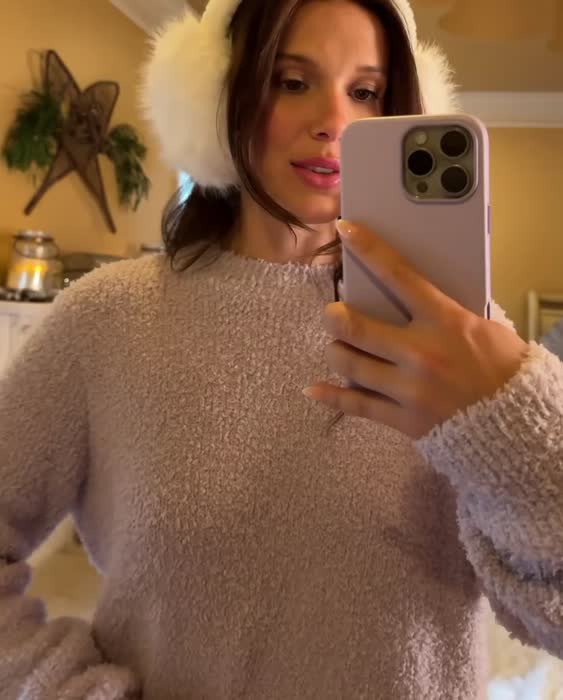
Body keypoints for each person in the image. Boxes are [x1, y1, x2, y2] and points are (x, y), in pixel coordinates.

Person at [1, 0, 562, 698]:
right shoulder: (106, 320)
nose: (333, 120)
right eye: (291, 81)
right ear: (219, 95)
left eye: (366, 91)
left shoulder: (458, 332)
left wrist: (512, 421)